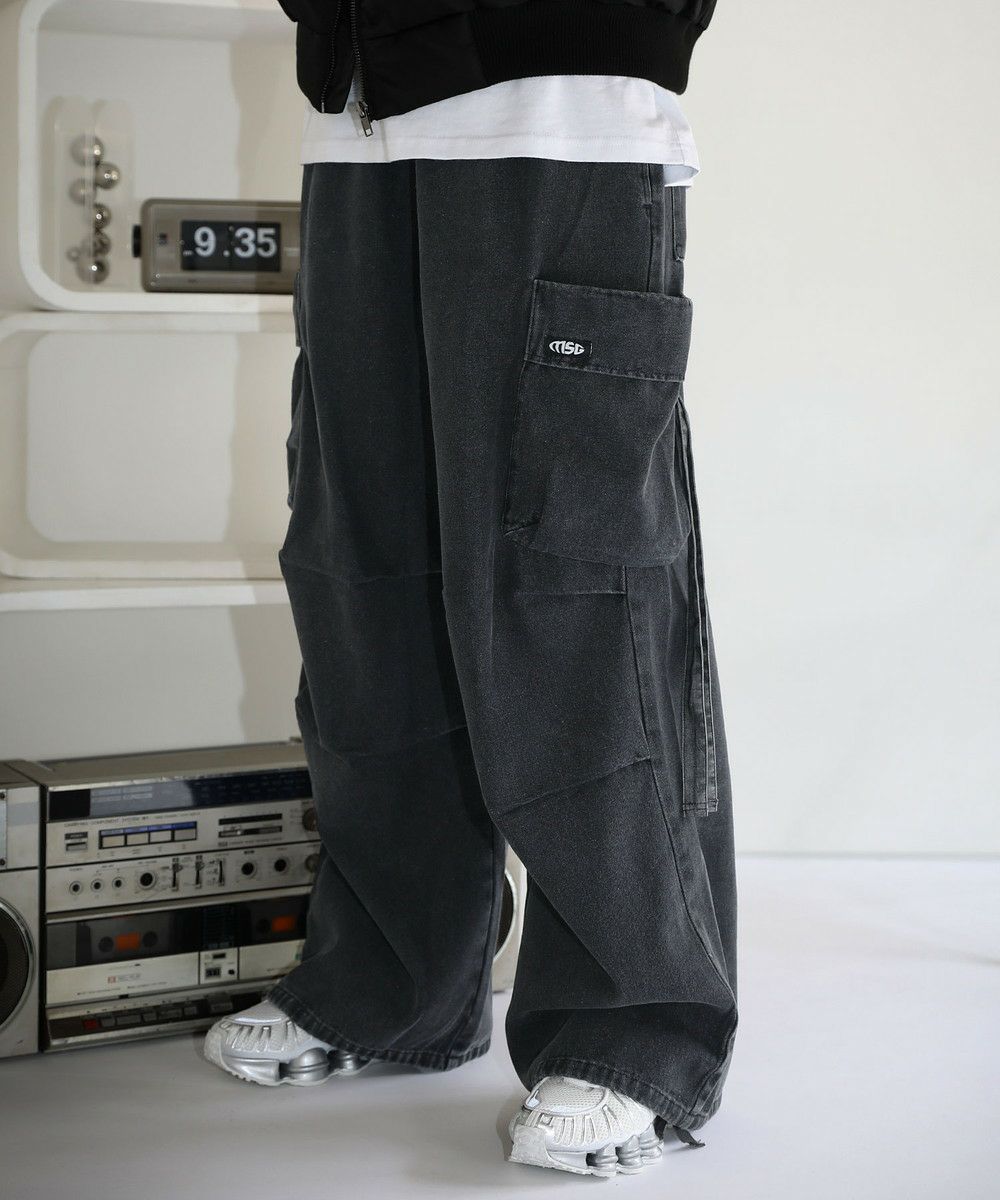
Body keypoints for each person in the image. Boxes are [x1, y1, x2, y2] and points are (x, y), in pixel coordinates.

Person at [204, 0, 737, 1179]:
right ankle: (392, 984)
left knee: (568, 587)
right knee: (363, 572)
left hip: (561, 105)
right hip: (359, 120)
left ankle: (632, 1034)